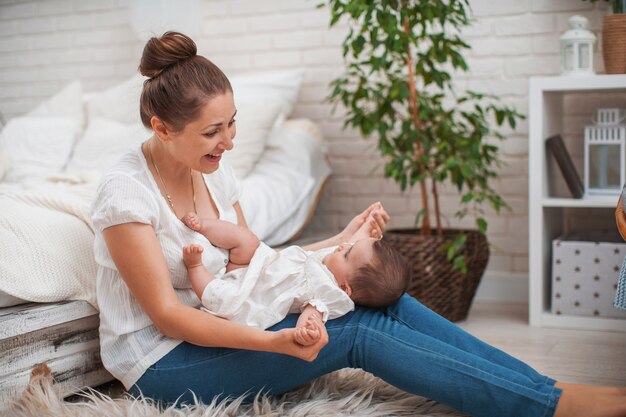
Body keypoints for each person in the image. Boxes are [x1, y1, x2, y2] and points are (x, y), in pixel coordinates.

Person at [91, 31, 626, 417]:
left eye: (233, 124)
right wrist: (274, 343)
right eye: (213, 132)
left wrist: (345, 239)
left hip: (231, 319)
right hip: (166, 364)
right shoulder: (126, 195)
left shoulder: (217, 172)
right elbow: (168, 318)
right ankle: (548, 407)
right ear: (162, 128)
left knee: (382, 298)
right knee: (355, 329)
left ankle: (538, 387)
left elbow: (261, 262)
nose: (229, 142)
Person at [179, 212, 410, 344]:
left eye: (347, 253)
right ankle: (203, 225)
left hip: (249, 297)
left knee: (219, 297)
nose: (342, 247)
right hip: (255, 265)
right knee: (246, 239)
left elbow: (314, 314)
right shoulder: (335, 264)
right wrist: (365, 226)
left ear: (344, 288)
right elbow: (353, 247)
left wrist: (309, 329)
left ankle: (195, 266)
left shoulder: (329, 291)